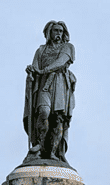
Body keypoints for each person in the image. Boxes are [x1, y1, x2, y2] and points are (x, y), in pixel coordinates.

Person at [24, 20, 76, 165]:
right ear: (49, 33)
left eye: (60, 31)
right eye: (55, 31)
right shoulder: (41, 50)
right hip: (44, 85)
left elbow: (60, 62)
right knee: (43, 112)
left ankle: (53, 152)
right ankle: (40, 145)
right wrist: (31, 71)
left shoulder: (68, 47)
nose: (58, 33)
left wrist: (43, 70)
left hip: (59, 84)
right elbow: (35, 67)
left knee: (58, 118)